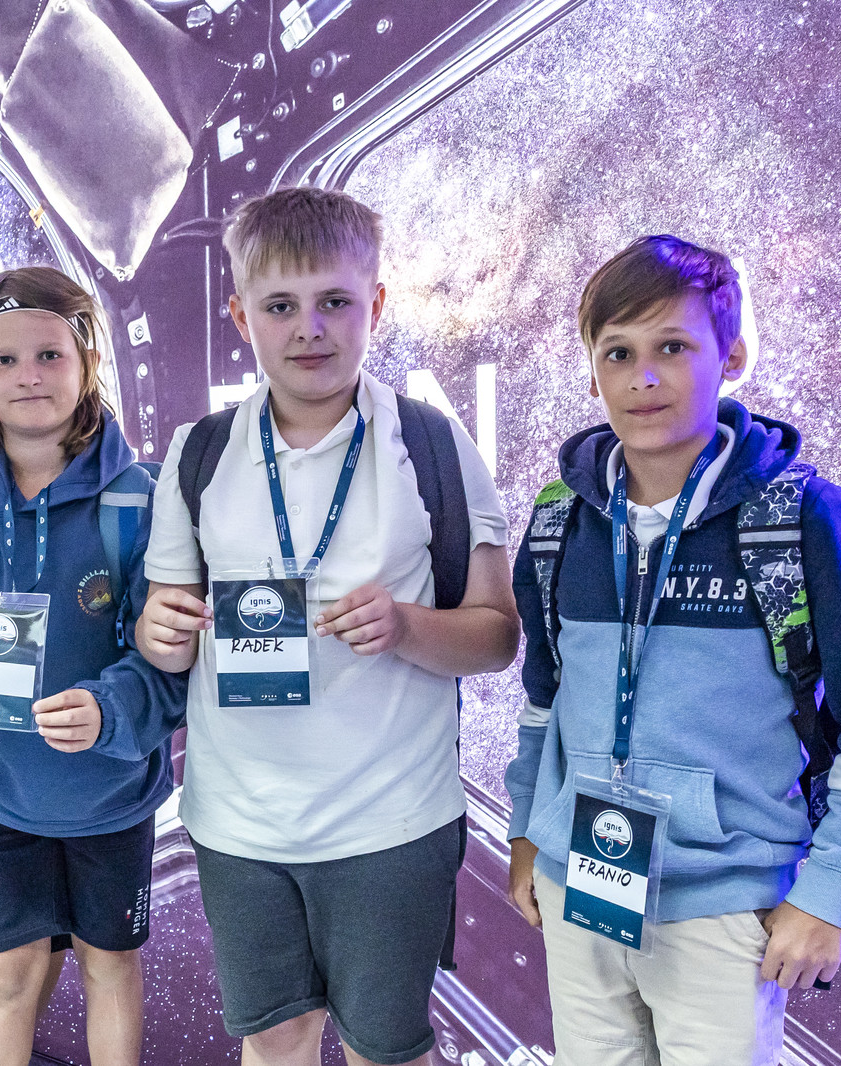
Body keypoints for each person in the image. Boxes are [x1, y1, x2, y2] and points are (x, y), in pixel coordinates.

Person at [503, 235, 841, 1065]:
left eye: (673, 347)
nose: (644, 377)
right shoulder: (560, 521)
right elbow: (544, 700)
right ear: (592, 373)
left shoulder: (802, 519)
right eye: (618, 353)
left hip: (726, 909)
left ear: (730, 357)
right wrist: (527, 832)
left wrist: (831, 894)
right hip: (580, 886)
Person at [135, 187, 519, 1066]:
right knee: (275, 1042)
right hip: (238, 824)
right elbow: (165, 632)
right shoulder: (199, 452)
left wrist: (406, 625)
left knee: (388, 1049)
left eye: (335, 301)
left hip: (391, 821)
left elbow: (498, 636)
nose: (309, 329)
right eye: (280, 306)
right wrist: (163, 630)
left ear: (375, 306)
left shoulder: (431, 443)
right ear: (242, 317)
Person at [0, 266, 186, 1066]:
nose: (30, 376)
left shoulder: (145, 501)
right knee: (5, 980)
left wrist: (110, 710)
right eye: (6, 360)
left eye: (50, 355)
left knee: (109, 966)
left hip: (111, 799)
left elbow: (171, 662)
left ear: (87, 364)